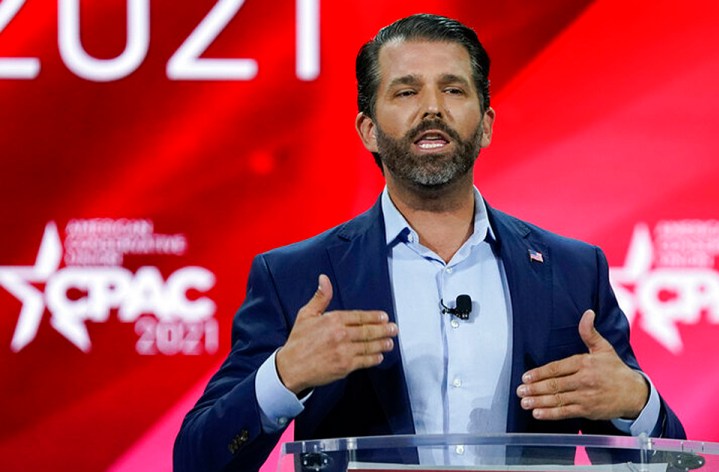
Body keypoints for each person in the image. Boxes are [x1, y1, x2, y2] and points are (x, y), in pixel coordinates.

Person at [174, 13, 685, 472]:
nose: (433, 108)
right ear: (368, 129)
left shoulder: (573, 270)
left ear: (485, 125)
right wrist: (283, 376)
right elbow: (196, 460)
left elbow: (668, 459)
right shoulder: (295, 278)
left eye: (454, 89)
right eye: (406, 91)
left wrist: (636, 402)